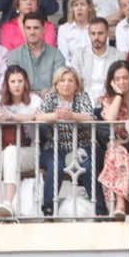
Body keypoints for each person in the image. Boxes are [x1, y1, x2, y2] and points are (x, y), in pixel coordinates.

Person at [0, 66, 41, 219]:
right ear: (7, 84)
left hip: (30, 148)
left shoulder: (35, 99)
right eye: (13, 81)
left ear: (26, 82)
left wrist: (10, 116)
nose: (17, 85)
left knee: (11, 151)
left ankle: (8, 201)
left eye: (20, 81)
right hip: (4, 147)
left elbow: (32, 117)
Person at [36, 66, 96, 216]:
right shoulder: (50, 97)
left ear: (76, 84)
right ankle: (48, 207)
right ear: (56, 84)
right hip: (54, 146)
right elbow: (38, 116)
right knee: (55, 165)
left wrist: (72, 115)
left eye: (70, 80)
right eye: (62, 80)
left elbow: (89, 117)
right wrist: (56, 115)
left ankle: (99, 208)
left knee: (88, 166)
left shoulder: (82, 96)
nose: (66, 84)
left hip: (81, 146)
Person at [96, 62, 129, 220]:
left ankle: (118, 203)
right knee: (116, 153)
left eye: (125, 77)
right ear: (112, 81)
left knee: (116, 151)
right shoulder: (108, 99)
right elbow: (110, 118)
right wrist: (119, 95)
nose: (122, 82)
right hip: (118, 147)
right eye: (117, 79)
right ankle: (120, 202)